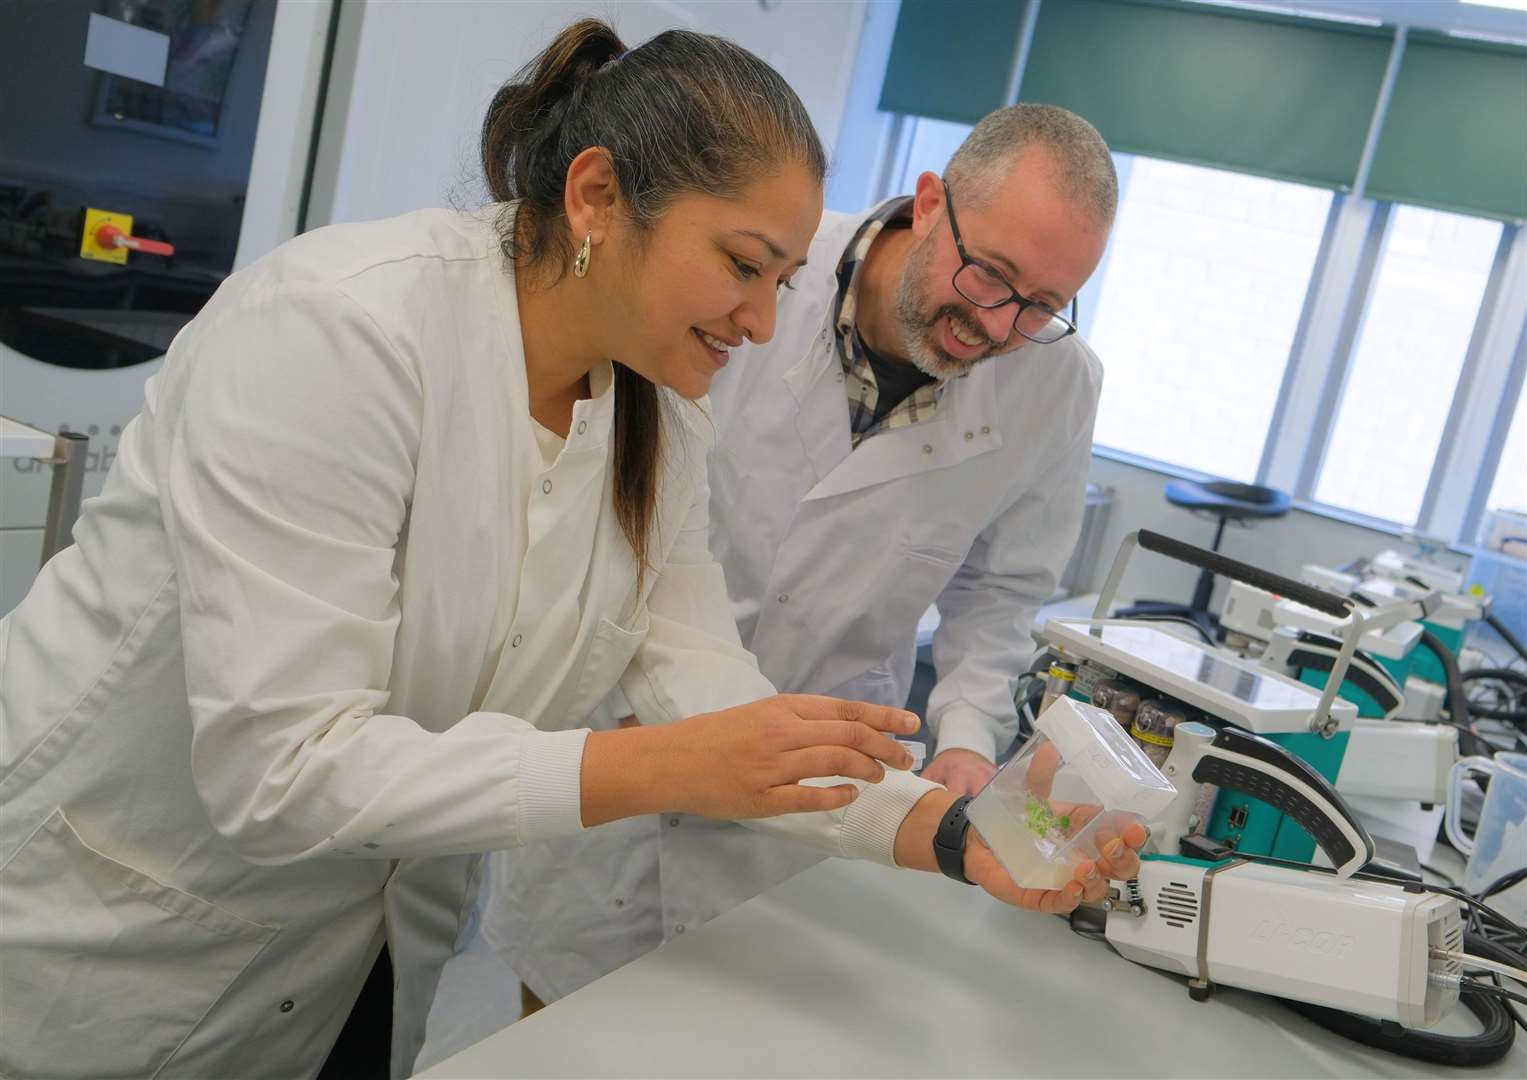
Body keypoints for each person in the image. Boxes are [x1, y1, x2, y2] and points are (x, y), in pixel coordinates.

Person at [0, 20, 1140, 1077]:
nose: (760, 322)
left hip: (350, 962)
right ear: (596, 195)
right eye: (742, 267)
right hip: (109, 936)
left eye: (782, 282)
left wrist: (953, 832)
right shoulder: (339, 334)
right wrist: (659, 766)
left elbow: (713, 699)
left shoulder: (656, 417)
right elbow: (281, 772)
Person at [481, 105, 1128, 1012]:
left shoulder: (1055, 383)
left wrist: (968, 743)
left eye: (1042, 306)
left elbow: (1002, 591)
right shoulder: (754, 274)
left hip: (826, 788)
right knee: (554, 1025)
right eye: (990, 275)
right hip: (624, 729)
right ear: (930, 202)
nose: (996, 325)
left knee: (741, 1033)